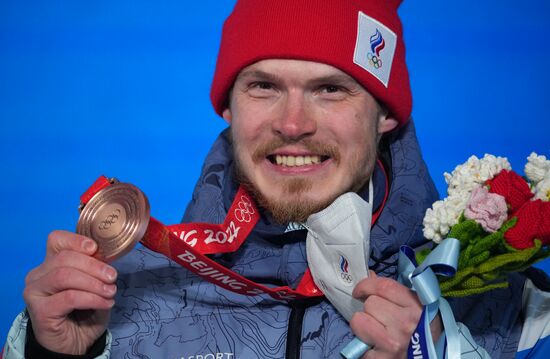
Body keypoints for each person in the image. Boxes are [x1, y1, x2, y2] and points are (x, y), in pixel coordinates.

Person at [3, 1, 550, 358]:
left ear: (385, 115)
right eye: (263, 86)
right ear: (228, 109)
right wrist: (54, 356)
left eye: (331, 89)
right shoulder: (118, 294)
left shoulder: (499, 298)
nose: (292, 125)